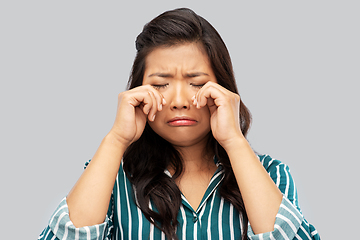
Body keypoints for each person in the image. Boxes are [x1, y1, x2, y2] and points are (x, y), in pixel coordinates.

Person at [38, 8, 320, 240]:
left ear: (223, 90)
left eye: (196, 83)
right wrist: (116, 139)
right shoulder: (111, 177)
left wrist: (234, 141)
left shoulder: (272, 174)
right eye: (161, 84)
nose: (179, 101)